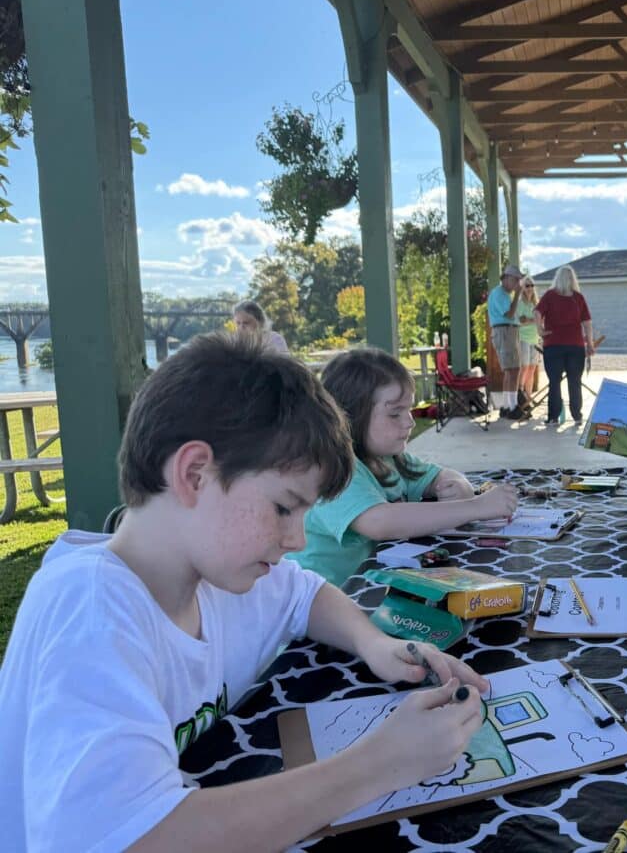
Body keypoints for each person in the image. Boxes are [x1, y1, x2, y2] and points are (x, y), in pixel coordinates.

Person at [0, 332, 488, 852]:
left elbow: (304, 595)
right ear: (194, 474)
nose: (298, 540)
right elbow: (128, 839)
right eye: (283, 508)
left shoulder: (216, 571)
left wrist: (375, 644)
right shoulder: (91, 611)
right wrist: (380, 764)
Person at [289, 347, 519, 586]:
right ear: (348, 416)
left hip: (371, 584)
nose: (410, 422)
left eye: (408, 410)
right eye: (395, 414)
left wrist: (458, 486)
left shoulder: (388, 459)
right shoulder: (331, 470)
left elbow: (440, 475)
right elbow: (380, 522)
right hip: (323, 600)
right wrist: (476, 507)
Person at [535, 265, 594, 425]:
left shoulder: (550, 295)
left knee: (554, 382)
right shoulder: (578, 297)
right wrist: (590, 342)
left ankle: (554, 417)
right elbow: (587, 322)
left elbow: (537, 312)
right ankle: (577, 416)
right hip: (575, 345)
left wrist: (540, 330)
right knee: (575, 381)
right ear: (573, 279)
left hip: (553, 344)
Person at [487, 264, 525, 419]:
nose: (517, 284)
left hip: (507, 331)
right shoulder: (500, 293)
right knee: (512, 370)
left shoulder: (503, 294)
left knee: (511, 370)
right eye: (516, 280)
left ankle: (508, 405)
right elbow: (509, 314)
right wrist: (517, 295)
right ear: (507, 278)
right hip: (504, 331)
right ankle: (511, 407)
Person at [516, 275, 542, 414]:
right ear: (522, 288)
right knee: (525, 367)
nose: (530, 288)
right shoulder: (520, 303)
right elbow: (521, 321)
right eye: (527, 285)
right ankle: (520, 395)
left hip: (534, 339)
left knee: (532, 368)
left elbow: (539, 321)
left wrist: (530, 320)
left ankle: (528, 397)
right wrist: (534, 320)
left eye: (532, 285)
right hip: (523, 339)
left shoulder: (536, 304)